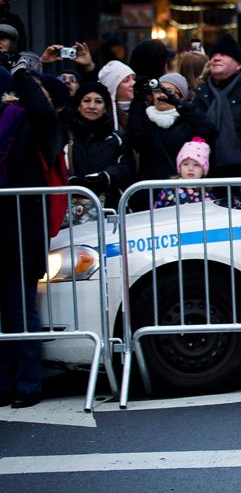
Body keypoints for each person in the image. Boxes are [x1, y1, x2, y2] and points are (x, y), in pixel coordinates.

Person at [0, 62, 64, 409]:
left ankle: (27, 384)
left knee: (21, 309)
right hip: (9, 226)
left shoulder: (28, 122)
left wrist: (23, 72)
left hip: (20, 228)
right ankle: (5, 382)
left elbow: (45, 114)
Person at [188, 34, 241, 179]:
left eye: (223, 55)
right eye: (214, 55)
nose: (216, 58)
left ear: (239, 65)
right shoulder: (201, 94)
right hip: (206, 177)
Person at [124, 73, 216, 208]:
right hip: (149, 193)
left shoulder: (187, 120)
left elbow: (209, 130)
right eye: (157, 90)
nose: (162, 95)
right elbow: (136, 140)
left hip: (183, 195)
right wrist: (137, 101)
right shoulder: (145, 119)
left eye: (169, 91)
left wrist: (179, 104)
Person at [65, 81, 133, 213]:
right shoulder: (65, 137)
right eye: (86, 100)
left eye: (98, 101)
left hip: (110, 206)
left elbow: (126, 165)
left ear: (106, 108)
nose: (92, 106)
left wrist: (104, 177)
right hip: (71, 208)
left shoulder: (118, 138)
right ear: (78, 106)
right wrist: (72, 180)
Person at [153, 138, 215, 209]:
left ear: (203, 171)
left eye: (196, 165)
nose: (191, 168)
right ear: (179, 167)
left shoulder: (207, 196)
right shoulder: (168, 191)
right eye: (185, 164)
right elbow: (156, 214)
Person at [96, 59, 135, 130]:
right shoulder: (103, 116)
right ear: (113, 86)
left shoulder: (145, 108)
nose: (133, 83)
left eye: (133, 78)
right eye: (126, 80)